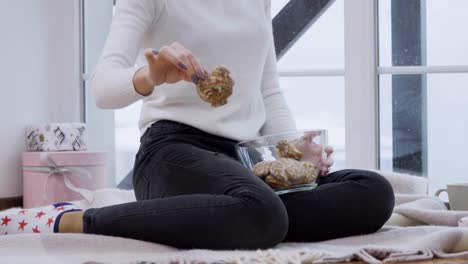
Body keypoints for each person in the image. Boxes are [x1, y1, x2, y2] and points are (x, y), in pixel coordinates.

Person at [0, 0, 394, 249]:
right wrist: (149, 77)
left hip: (246, 163)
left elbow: (267, 89)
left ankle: (230, 218)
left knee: (372, 191)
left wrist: (292, 151)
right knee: (263, 212)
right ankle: (69, 219)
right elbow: (103, 89)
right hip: (172, 153)